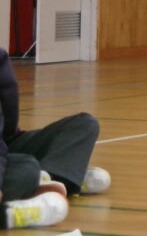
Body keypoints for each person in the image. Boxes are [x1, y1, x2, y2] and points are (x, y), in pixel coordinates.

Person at [0, 49, 110, 230]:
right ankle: (9, 214)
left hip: (8, 144)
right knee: (26, 169)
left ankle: (51, 177)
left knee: (85, 124)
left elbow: (9, 124)